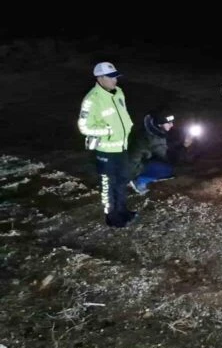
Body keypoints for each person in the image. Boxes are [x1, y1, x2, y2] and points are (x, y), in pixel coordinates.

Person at [77, 61, 136, 227]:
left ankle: (123, 210)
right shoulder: (92, 100)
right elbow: (84, 126)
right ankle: (112, 218)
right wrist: (109, 131)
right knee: (107, 186)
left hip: (122, 147)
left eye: (115, 76)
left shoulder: (119, 93)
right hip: (106, 151)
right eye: (110, 78)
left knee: (121, 181)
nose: (114, 80)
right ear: (100, 78)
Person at [127, 108, 197, 194]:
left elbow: (168, 146)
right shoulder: (152, 138)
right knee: (171, 170)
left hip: (133, 163)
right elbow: (169, 158)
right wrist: (185, 146)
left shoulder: (151, 131)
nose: (172, 125)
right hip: (131, 169)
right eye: (168, 123)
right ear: (159, 124)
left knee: (169, 166)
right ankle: (139, 181)